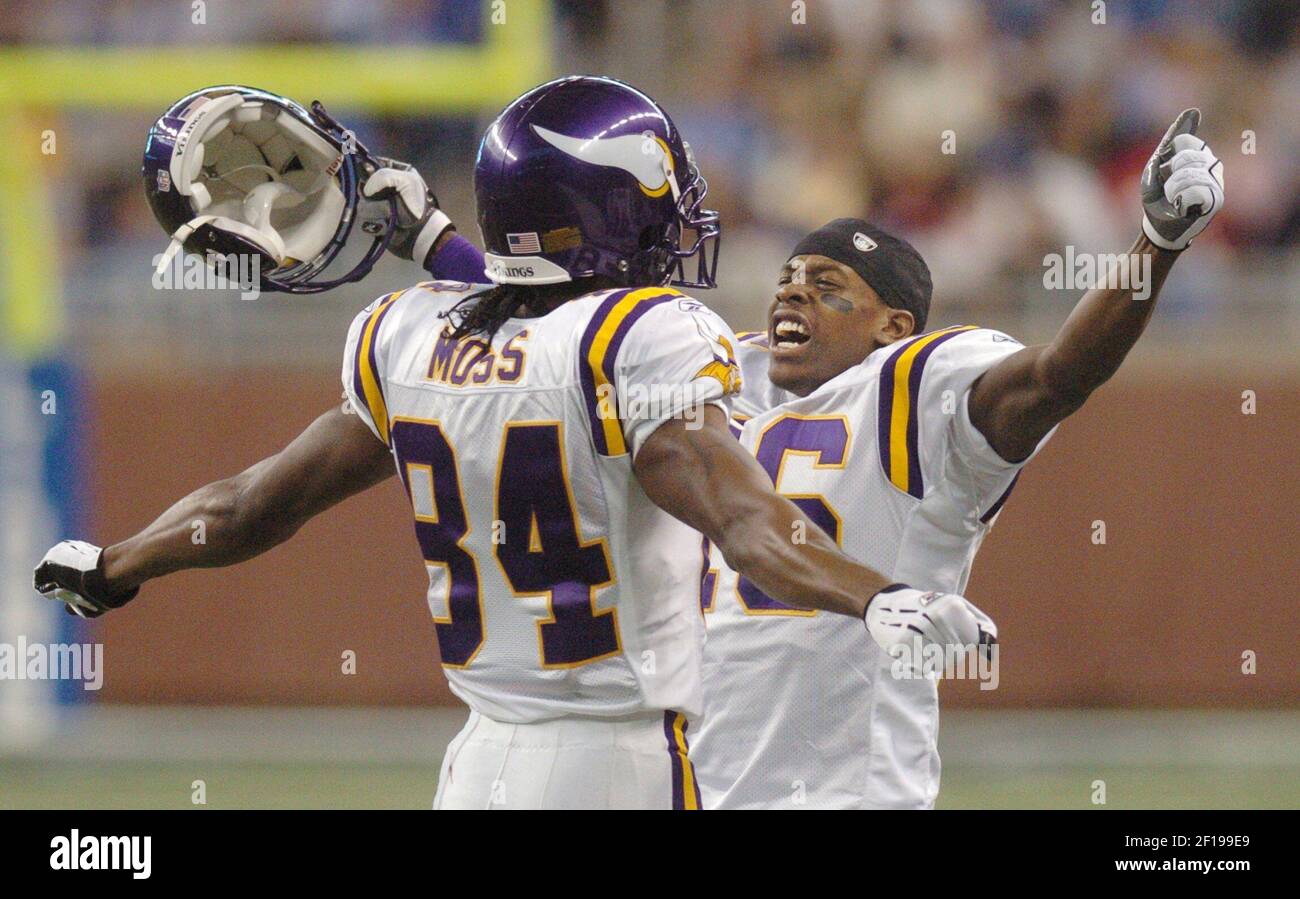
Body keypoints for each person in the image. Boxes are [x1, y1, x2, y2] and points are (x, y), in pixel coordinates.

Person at [33, 76, 995, 810]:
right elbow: (747, 524)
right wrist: (881, 595)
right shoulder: (642, 338)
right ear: (611, 212)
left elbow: (247, 507)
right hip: (620, 760)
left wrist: (115, 564)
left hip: (479, 759)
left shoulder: (408, 334)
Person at [690, 109, 1224, 808]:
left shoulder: (911, 387)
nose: (791, 292)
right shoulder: (722, 385)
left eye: (827, 286)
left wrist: (1154, 246)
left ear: (893, 326)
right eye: (790, 279)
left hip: (849, 790)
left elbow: (1058, 374)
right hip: (704, 780)